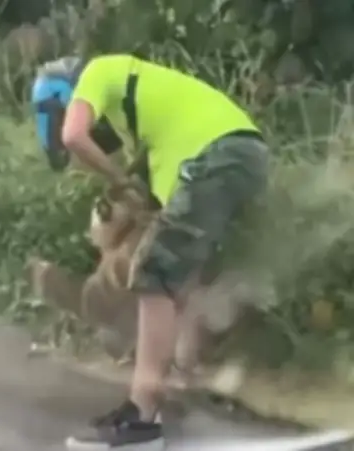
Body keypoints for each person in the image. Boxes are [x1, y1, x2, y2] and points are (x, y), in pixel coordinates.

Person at [31, 54, 268, 450]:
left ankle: (141, 420)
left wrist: (118, 179)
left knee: (153, 270)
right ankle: (185, 379)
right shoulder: (157, 134)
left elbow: (73, 136)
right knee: (176, 273)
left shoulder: (95, 71)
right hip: (238, 153)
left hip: (220, 153)